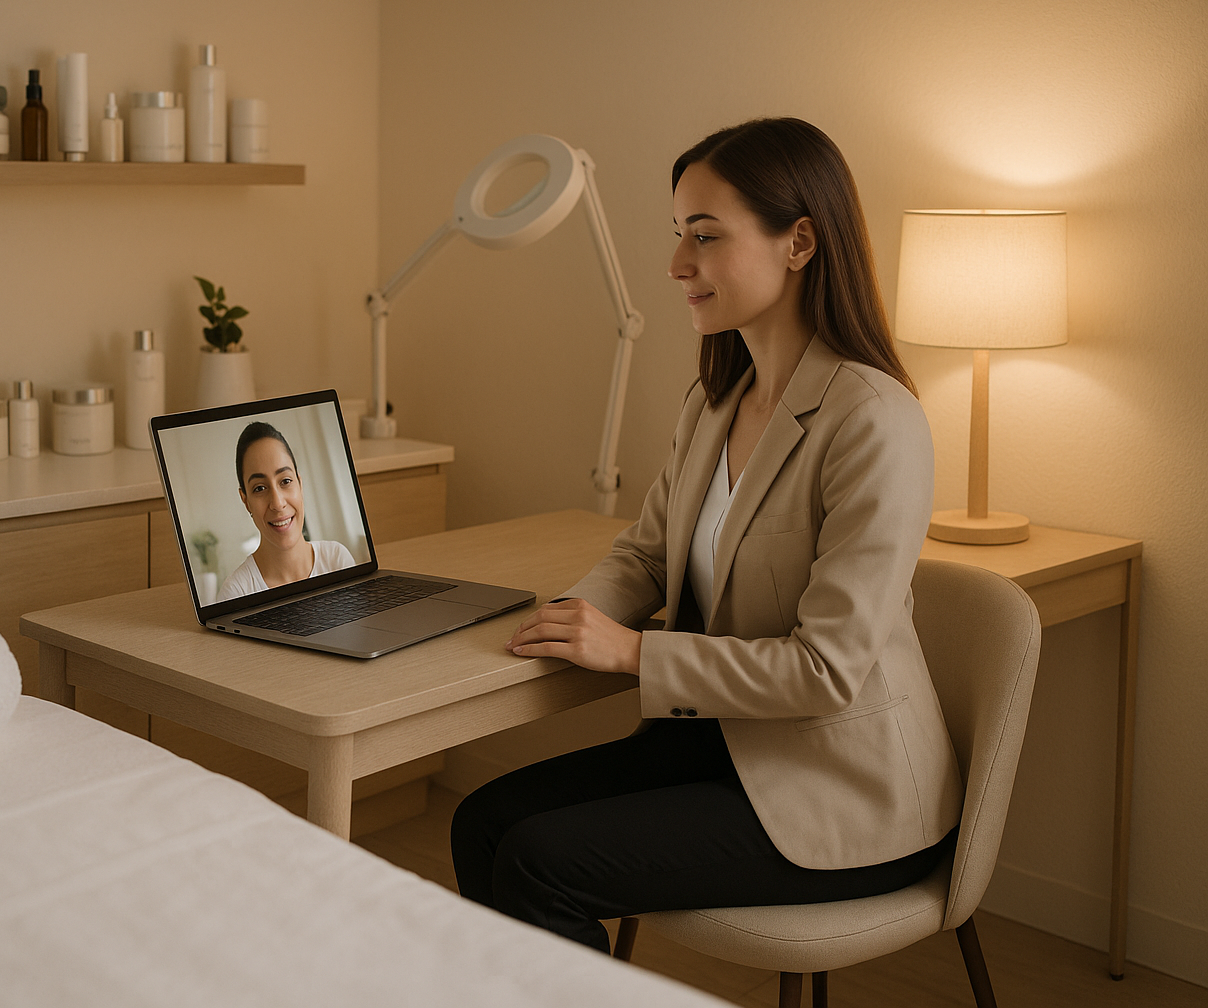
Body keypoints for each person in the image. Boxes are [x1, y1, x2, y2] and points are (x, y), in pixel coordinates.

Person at [449, 118, 963, 953]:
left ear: (799, 242)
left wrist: (631, 654)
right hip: (725, 745)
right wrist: (574, 615)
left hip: (843, 792)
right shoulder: (716, 403)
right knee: (482, 823)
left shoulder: (874, 420)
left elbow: (825, 669)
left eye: (706, 236)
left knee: (540, 861)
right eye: (677, 235)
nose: (676, 265)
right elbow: (647, 554)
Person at [218, 421, 355, 602]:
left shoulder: (337, 560)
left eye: (285, 481)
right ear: (245, 501)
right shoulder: (236, 592)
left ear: (300, 484)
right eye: (259, 488)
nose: (278, 503)